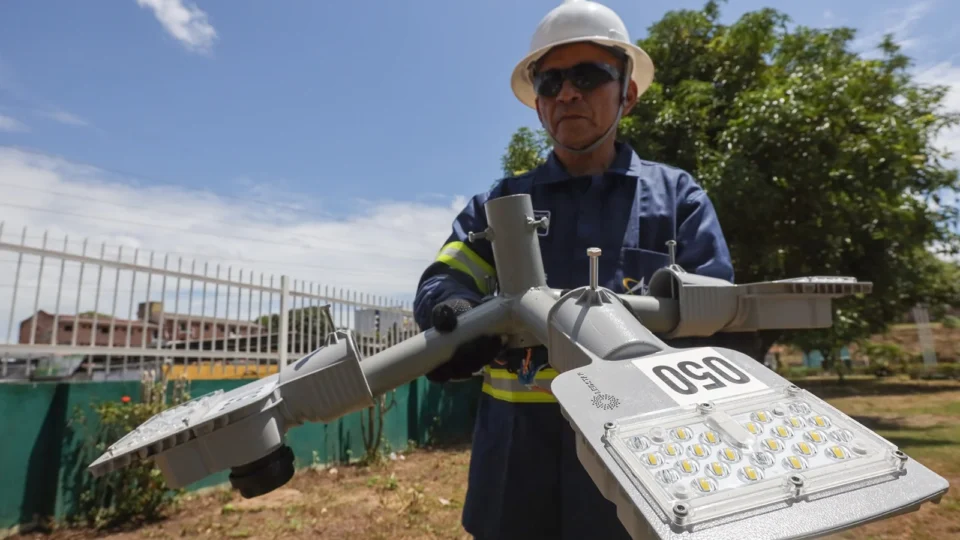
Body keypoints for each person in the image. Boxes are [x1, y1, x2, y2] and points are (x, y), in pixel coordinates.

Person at [412, 1, 735, 538]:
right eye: (550, 81)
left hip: (644, 459)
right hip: (516, 465)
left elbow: (720, 311)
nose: (566, 93)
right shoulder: (499, 203)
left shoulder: (677, 199)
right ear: (538, 106)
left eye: (587, 76)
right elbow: (444, 277)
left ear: (627, 93)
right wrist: (453, 311)